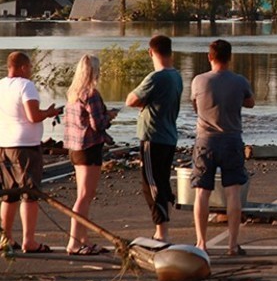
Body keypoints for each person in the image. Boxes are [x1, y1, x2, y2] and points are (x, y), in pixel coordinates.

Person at [190, 39, 254, 256]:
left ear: (210, 57)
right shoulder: (240, 81)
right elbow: (251, 102)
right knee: (233, 192)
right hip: (232, 139)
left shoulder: (199, 81)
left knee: (202, 192)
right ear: (230, 57)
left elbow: (194, 105)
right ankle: (232, 244)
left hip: (205, 140)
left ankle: (201, 243)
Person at [0, 51, 63, 253]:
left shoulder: (1, 85)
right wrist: (49, 113)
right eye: (30, 67)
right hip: (25, 145)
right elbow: (33, 116)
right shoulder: (26, 86)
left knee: (9, 195)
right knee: (30, 193)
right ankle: (29, 241)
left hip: (5, 143)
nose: (31, 71)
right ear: (23, 67)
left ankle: (5, 238)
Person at [126, 35, 182, 242]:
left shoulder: (155, 78)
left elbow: (130, 100)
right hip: (169, 135)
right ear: (170, 52)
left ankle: (161, 231)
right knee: (162, 181)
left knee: (151, 184)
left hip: (153, 136)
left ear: (151, 52)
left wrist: (143, 104)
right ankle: (163, 226)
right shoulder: (176, 76)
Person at [63, 54, 118, 255]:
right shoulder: (91, 94)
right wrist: (109, 116)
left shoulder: (73, 94)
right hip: (89, 148)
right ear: (94, 71)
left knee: (83, 195)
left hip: (75, 148)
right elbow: (97, 124)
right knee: (85, 196)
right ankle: (74, 242)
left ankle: (82, 238)